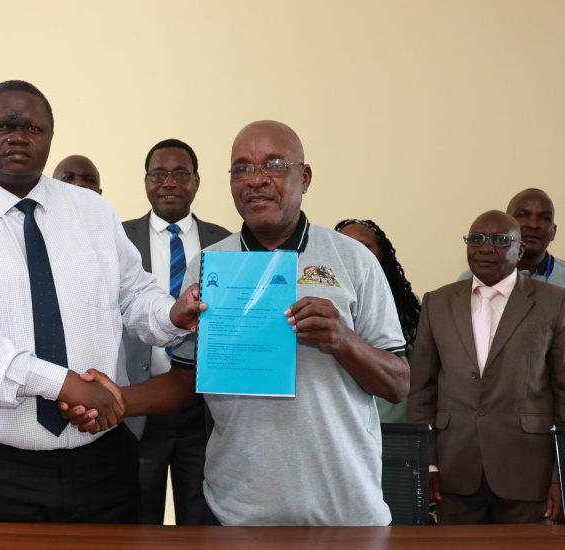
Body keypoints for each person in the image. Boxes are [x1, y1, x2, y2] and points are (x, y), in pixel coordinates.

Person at [72, 120, 408, 526]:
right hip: (236, 512)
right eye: (242, 169)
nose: (256, 180)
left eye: (274, 165)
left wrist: (342, 339)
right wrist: (114, 400)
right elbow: (185, 382)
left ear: (305, 177)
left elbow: (397, 384)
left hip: (344, 510)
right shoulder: (210, 265)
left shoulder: (353, 259)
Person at [0, 80, 203, 523]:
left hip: (101, 463)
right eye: (3, 126)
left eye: (33, 128)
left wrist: (172, 313)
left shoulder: (93, 212)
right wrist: (61, 383)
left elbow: (135, 294)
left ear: (50, 136)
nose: (18, 137)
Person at [408, 210, 565, 524]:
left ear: (520, 251)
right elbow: (422, 391)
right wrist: (428, 462)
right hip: (454, 472)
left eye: (500, 240)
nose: (486, 248)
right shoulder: (437, 302)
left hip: (528, 474)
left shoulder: (557, 302)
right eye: (476, 239)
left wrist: (564, 475)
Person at [121, 139, 230, 525]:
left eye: (181, 174)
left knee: (201, 523)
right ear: (145, 181)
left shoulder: (226, 243)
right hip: (141, 405)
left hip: (203, 409)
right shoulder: (119, 239)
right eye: (159, 174)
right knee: (138, 521)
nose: (169, 182)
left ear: (197, 181)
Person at [459, 189, 565, 342]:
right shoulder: (471, 279)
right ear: (505, 225)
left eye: (544, 218)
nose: (533, 224)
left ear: (553, 231)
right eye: (522, 215)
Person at [335, 219, 422, 423]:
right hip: (341, 421)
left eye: (365, 246)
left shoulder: (409, 307)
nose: (355, 252)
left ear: (381, 253)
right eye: (346, 245)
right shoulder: (320, 299)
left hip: (393, 422)